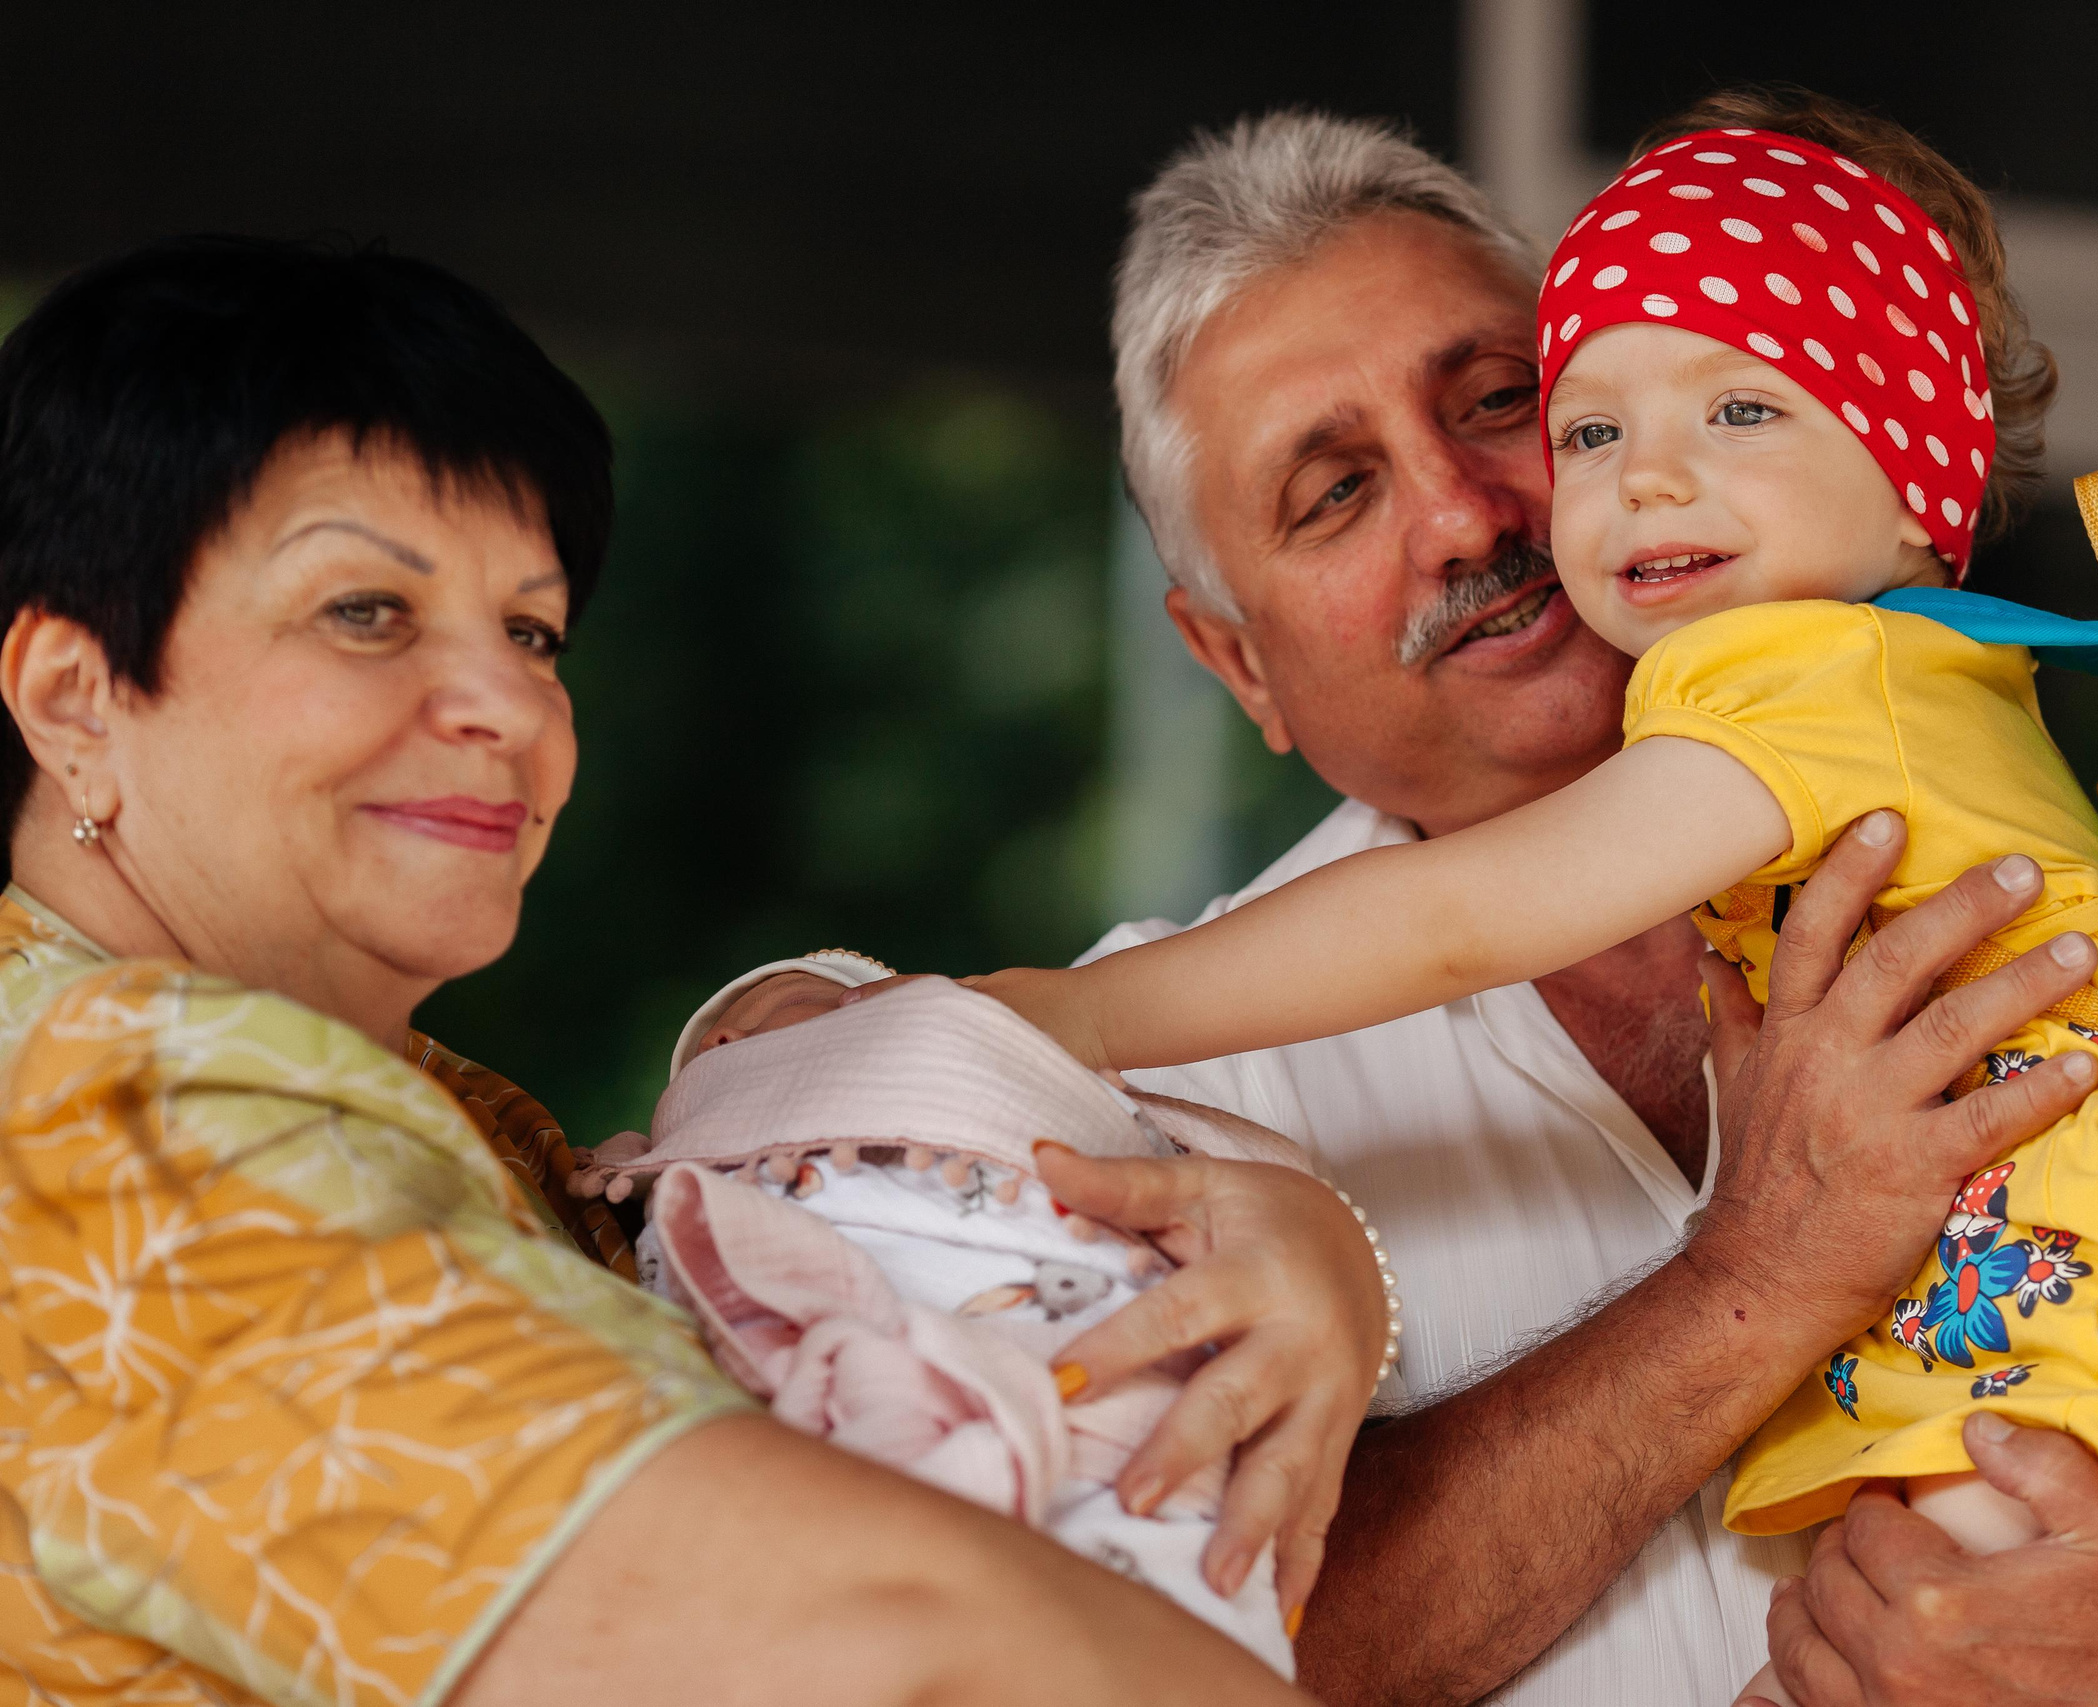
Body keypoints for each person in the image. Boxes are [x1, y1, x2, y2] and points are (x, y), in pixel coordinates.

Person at [992, 91, 2098, 1695]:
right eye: (1335, 492)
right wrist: (1756, 1276)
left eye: (1506, 402)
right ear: (1235, 661)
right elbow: (1140, 1659)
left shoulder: (2045, 774)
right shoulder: (1166, 1089)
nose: (1469, 513)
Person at [0, 235, 1368, 1707]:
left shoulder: (397, 1105)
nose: (506, 704)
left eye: (532, 629)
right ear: (75, 699)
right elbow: (895, 1633)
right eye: (367, 611)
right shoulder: (114, 1127)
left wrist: (1320, 1254)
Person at [563, 960, 1385, 1677]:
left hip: (1151, 1449)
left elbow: (1217, 1192)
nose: (888, 1001)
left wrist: (1333, 1237)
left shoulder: (1110, 1061)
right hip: (868, 1472)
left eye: (911, 998)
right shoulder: (680, 1198)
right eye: (823, 1000)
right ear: (723, 1054)